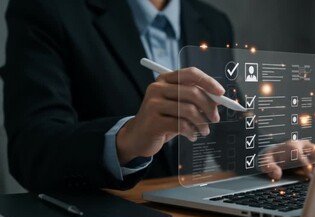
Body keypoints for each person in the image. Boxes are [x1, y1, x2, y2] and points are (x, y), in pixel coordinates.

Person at [1, 0, 233, 191]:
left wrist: (264, 153)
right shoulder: (48, 9)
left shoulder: (214, 23)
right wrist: (126, 140)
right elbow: (31, 150)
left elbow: (227, 123)